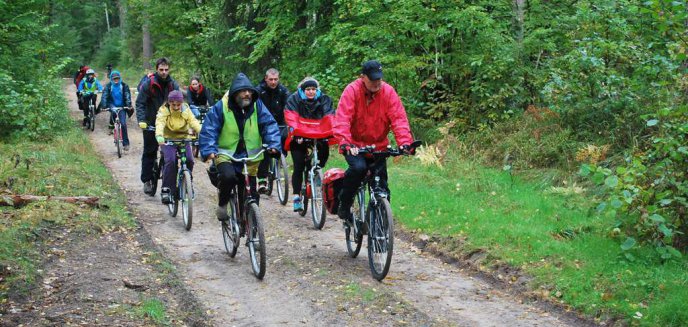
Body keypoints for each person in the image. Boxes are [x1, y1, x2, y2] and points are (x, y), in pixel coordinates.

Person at [333, 60, 414, 221]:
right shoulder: (352, 91)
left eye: (379, 79)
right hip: (355, 146)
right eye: (373, 80)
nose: (377, 83)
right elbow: (342, 119)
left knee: (382, 186)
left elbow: (398, 119)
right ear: (362, 77)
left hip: (378, 147)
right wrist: (346, 142)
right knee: (358, 169)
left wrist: (405, 143)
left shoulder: (388, 92)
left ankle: (380, 225)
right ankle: (345, 203)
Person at [199, 72, 281, 220]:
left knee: (251, 195)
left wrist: (274, 144)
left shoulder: (257, 105)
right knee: (228, 177)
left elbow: (269, 124)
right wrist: (209, 149)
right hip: (226, 154)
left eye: (249, 91)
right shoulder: (221, 107)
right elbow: (210, 128)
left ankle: (251, 228)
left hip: (250, 156)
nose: (247, 94)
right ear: (235, 92)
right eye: (243, 91)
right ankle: (222, 205)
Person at [284, 77, 335, 212]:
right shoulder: (294, 99)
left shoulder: (324, 99)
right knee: (299, 165)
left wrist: (331, 130)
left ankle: (315, 174)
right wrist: (296, 132)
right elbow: (291, 117)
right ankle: (296, 196)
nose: (311, 92)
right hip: (299, 136)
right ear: (303, 90)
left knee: (323, 154)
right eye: (308, 89)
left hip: (318, 134)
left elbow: (329, 116)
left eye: (313, 89)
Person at [135, 57, 180, 196]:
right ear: (157, 69)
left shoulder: (173, 84)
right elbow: (140, 103)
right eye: (161, 69)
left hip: (168, 124)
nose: (164, 72)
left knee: (171, 155)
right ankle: (147, 180)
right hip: (150, 123)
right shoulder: (149, 84)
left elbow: (181, 104)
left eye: (166, 69)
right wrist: (142, 120)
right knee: (149, 152)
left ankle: (171, 184)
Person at [155, 90, 202, 204]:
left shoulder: (186, 110)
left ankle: (188, 183)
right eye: (173, 104)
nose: (176, 107)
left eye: (178, 104)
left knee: (190, 160)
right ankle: (166, 189)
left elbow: (194, 122)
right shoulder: (164, 110)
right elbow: (160, 122)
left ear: (182, 103)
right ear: (169, 102)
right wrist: (160, 136)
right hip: (168, 139)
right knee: (170, 161)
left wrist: (203, 133)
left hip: (183, 138)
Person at [255, 68, 290, 193]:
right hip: (264, 124)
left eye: (276, 79)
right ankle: (262, 179)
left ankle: (281, 159)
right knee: (265, 149)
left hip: (280, 123)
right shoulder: (258, 91)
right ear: (266, 79)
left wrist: (289, 122)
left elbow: (289, 107)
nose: (273, 82)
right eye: (271, 79)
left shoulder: (283, 91)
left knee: (286, 138)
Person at [99, 70, 133, 150]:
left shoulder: (124, 86)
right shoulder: (108, 86)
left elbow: (127, 96)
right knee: (114, 113)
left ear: (120, 78)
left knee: (123, 124)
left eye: (117, 78)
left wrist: (128, 105)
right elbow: (105, 96)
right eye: (114, 79)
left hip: (122, 106)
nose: (116, 80)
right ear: (111, 79)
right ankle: (113, 128)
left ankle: (126, 143)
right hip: (112, 105)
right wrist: (104, 106)